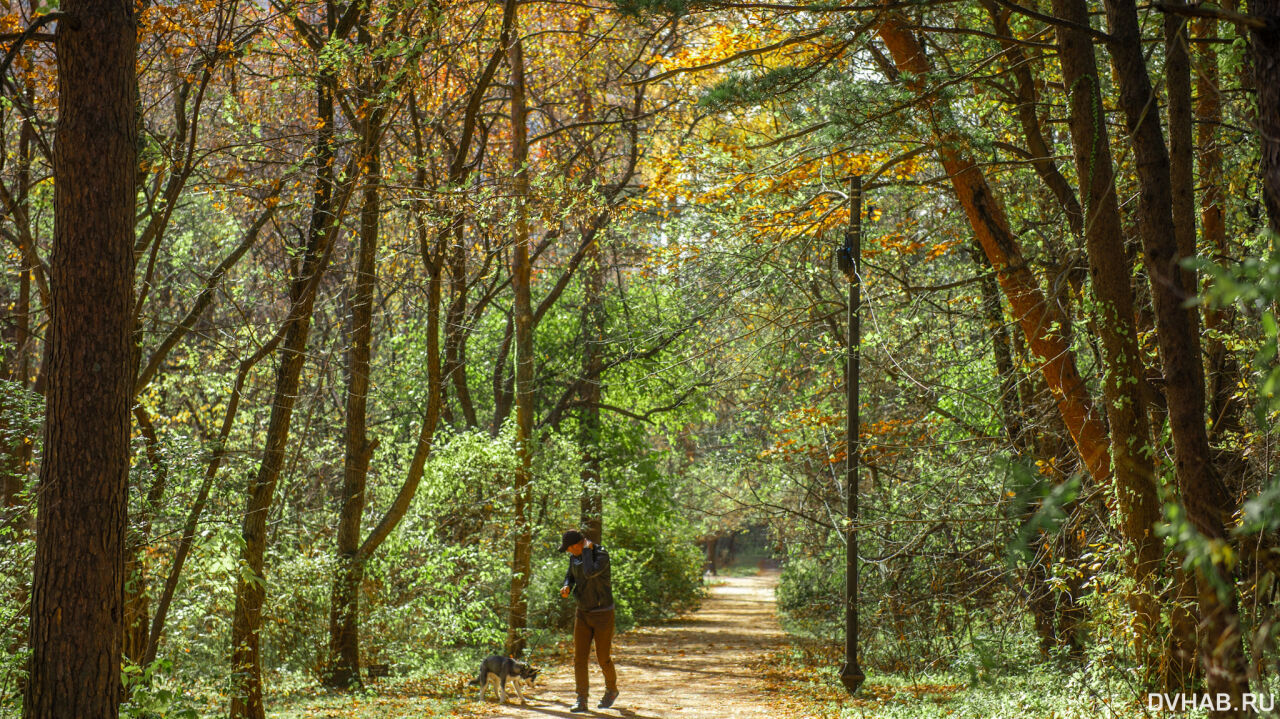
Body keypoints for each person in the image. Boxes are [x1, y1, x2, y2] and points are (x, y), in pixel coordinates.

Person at [558, 528, 618, 712]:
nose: (568, 552)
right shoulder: (574, 556)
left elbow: (590, 572)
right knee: (579, 658)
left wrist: (586, 550)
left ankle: (611, 690)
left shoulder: (601, 554)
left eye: (569, 548)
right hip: (582, 612)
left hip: (603, 613)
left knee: (603, 658)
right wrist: (567, 586)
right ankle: (581, 698)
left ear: (578, 544)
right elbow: (571, 575)